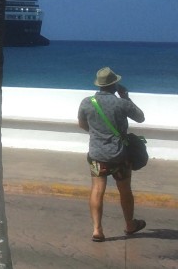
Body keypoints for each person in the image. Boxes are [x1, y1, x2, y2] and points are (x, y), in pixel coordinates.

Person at [77, 66, 146, 242]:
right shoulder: (121, 103)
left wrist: (97, 135)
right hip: (120, 156)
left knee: (97, 190)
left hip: (97, 155)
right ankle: (130, 224)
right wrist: (126, 97)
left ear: (99, 85)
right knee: (124, 190)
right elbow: (140, 117)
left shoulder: (87, 102)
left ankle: (97, 230)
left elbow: (82, 124)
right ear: (114, 85)